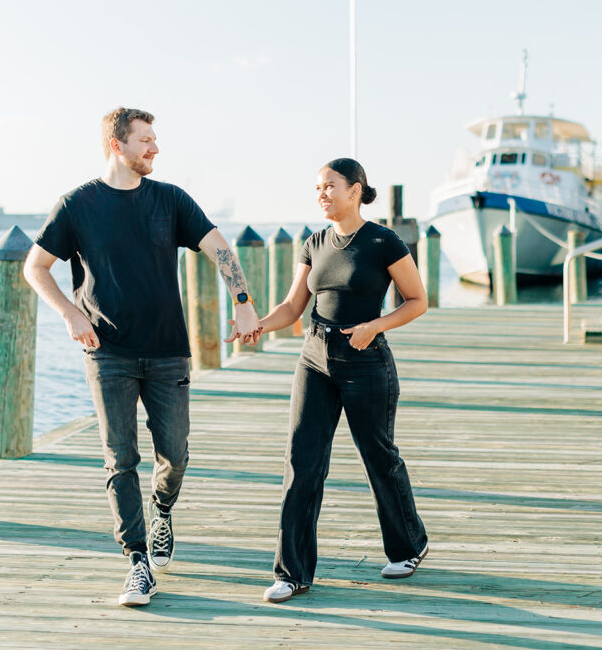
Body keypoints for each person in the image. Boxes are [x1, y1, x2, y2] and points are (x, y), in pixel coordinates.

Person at [23, 107, 260, 607]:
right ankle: (136, 562)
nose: (155, 148)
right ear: (118, 145)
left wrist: (243, 303)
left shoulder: (169, 200)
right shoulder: (77, 205)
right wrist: (70, 313)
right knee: (120, 457)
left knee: (175, 453)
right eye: (146, 140)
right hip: (107, 352)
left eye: (155, 140)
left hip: (169, 351)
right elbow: (35, 266)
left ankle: (163, 511)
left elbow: (220, 249)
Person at [247, 157, 429, 604]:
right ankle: (292, 573)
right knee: (302, 462)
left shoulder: (383, 241)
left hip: (366, 360)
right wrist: (256, 326)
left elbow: (417, 300)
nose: (321, 194)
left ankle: (410, 544)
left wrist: (375, 326)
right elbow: (292, 309)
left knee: (379, 456)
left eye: (329, 186)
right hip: (314, 358)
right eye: (317, 188)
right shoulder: (314, 242)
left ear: (355, 189)